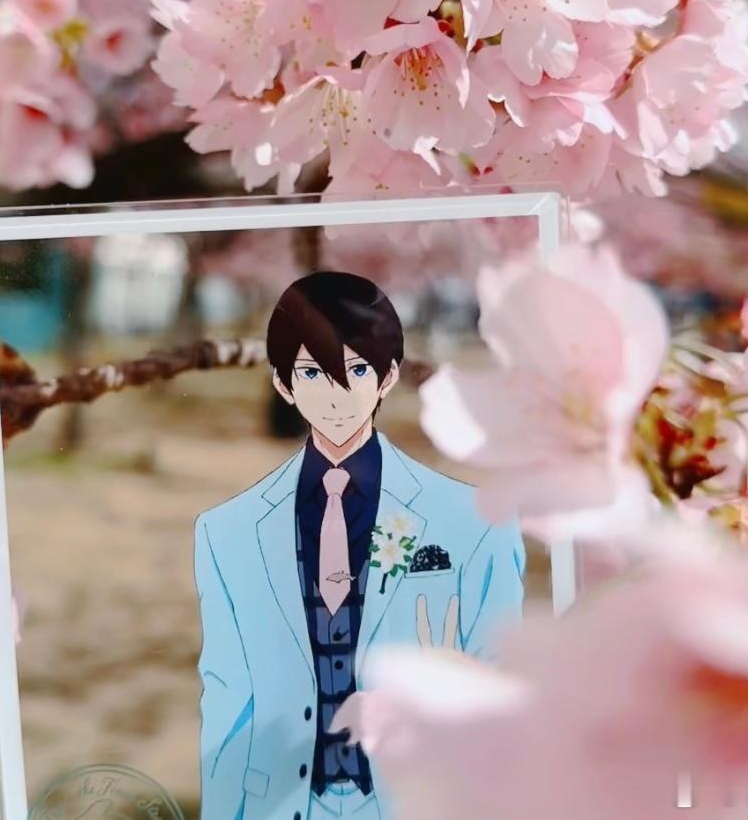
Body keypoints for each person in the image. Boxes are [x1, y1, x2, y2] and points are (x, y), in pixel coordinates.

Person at [194, 271, 525, 820]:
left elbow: (503, 689)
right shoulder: (227, 532)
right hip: (279, 802)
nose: (336, 395)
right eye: (311, 373)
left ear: (388, 375)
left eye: (356, 370)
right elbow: (228, 698)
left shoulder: (475, 521)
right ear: (283, 384)